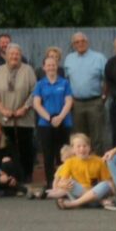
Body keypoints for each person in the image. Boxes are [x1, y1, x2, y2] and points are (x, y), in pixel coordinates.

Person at [0, 43, 39, 182]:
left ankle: (26, 177)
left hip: (24, 118)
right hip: (3, 118)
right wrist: (2, 109)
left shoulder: (28, 70)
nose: (14, 56)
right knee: (5, 149)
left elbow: (35, 91)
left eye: (17, 54)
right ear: (6, 55)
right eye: (11, 54)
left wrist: (25, 107)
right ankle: (7, 177)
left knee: (25, 148)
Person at [32, 49, 74, 188]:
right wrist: (50, 118)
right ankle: (50, 182)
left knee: (63, 153)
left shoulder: (64, 83)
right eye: (48, 65)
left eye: (53, 64)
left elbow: (69, 101)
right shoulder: (40, 84)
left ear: (57, 66)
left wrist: (60, 117)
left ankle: (64, 180)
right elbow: (37, 104)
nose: (51, 67)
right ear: (44, 67)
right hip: (45, 123)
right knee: (48, 153)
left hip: (64, 121)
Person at [63, 33, 108, 152]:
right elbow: (66, 81)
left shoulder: (99, 58)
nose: (80, 44)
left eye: (82, 41)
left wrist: (103, 97)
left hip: (95, 102)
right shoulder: (69, 59)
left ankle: (98, 165)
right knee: (79, 138)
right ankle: (82, 166)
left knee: (97, 137)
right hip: (76, 104)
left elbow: (107, 79)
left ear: (87, 42)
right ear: (73, 45)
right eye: (77, 42)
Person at [47, 132, 114, 210]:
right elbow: (62, 181)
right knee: (70, 183)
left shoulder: (99, 161)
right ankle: (98, 201)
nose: (82, 149)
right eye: (78, 146)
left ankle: (74, 204)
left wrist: (111, 190)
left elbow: (108, 182)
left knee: (105, 185)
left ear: (89, 147)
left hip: (95, 192)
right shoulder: (69, 162)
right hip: (82, 194)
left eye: (85, 146)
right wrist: (62, 184)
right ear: (73, 149)